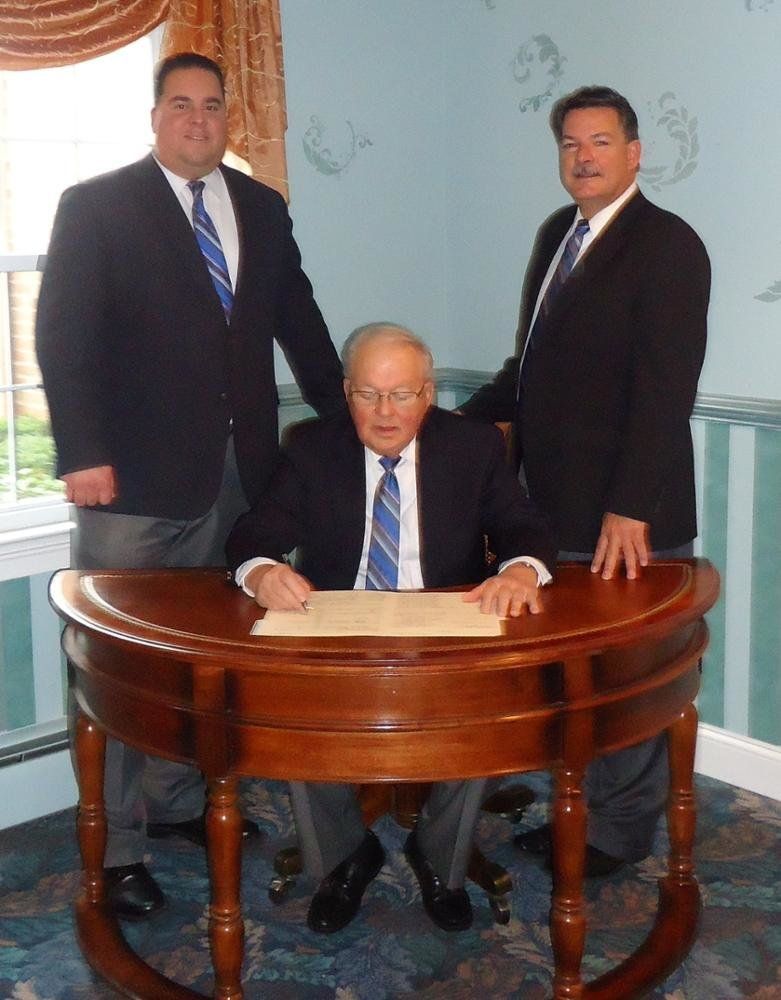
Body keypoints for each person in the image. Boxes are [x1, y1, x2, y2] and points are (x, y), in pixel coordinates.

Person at [35, 52, 346, 920]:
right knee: (123, 670)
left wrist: (348, 420)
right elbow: (64, 337)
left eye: (213, 106)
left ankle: (175, 808)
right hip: (129, 486)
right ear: (155, 115)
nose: (198, 120)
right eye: (181, 104)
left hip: (241, 482)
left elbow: (302, 325)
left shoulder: (262, 207)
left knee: (210, 660)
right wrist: (82, 452)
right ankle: (118, 843)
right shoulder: (96, 206)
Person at [226, 322, 556, 933]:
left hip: (441, 632)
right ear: (347, 393)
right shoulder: (311, 447)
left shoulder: (473, 446)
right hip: (340, 632)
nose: (385, 412)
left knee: (478, 719)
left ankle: (439, 858)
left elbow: (524, 525)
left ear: (428, 394)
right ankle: (346, 853)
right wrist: (261, 571)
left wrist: (521, 571)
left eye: (402, 394)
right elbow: (253, 534)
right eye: (368, 395)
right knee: (297, 720)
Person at [460, 85, 710, 876]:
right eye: (570, 144)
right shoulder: (556, 235)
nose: (582, 157)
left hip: (625, 515)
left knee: (628, 678)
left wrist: (629, 508)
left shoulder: (668, 245)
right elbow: (530, 365)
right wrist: (452, 425)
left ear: (633, 153)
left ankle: (619, 831)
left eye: (599, 142)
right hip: (553, 506)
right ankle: (582, 803)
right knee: (575, 670)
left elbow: (666, 389)